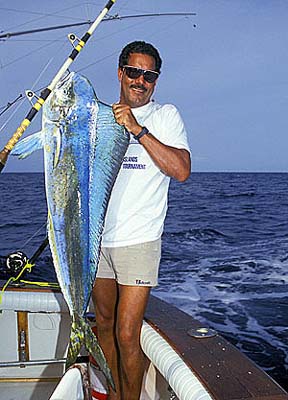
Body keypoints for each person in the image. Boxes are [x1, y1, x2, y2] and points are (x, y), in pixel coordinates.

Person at [92, 41, 191, 400]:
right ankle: (114, 393)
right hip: (96, 239)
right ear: (121, 73)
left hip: (139, 240)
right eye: (134, 72)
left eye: (149, 75)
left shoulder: (165, 116)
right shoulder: (100, 117)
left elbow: (181, 170)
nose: (140, 80)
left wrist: (137, 129)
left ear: (155, 81)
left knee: (127, 333)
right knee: (102, 324)